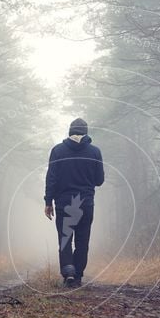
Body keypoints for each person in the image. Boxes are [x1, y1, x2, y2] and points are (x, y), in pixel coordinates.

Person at [44, 118, 105, 288]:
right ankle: (77, 276)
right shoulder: (95, 152)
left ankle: (68, 273)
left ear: (70, 131)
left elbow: (51, 179)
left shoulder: (57, 151)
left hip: (64, 204)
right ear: (86, 132)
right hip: (85, 204)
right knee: (82, 240)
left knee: (65, 239)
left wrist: (48, 201)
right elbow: (99, 180)